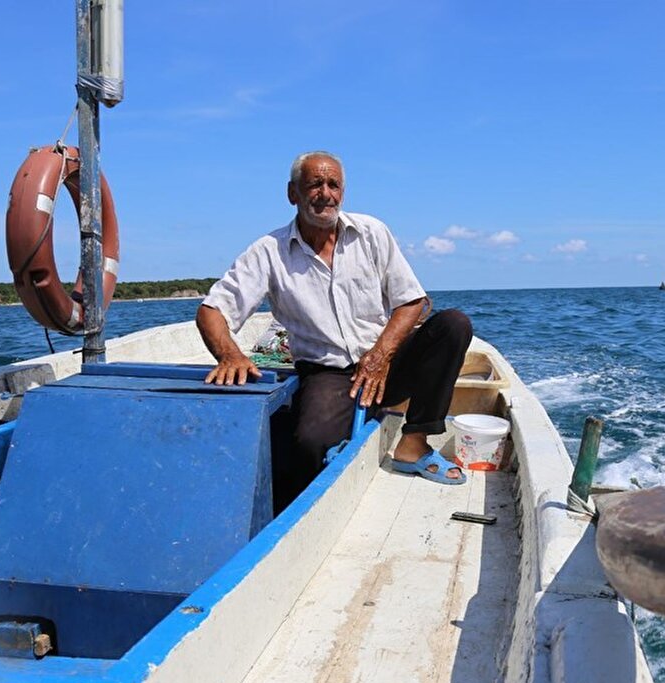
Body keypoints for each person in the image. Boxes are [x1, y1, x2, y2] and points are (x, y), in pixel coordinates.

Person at [196, 151, 473, 495]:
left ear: (343, 192)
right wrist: (230, 355)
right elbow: (212, 310)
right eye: (314, 184)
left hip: (386, 363)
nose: (325, 193)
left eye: (333, 184)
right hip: (328, 374)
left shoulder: (372, 232)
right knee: (310, 444)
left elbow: (411, 301)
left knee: (453, 325)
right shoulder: (269, 251)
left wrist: (381, 355)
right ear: (292, 193)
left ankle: (413, 443)